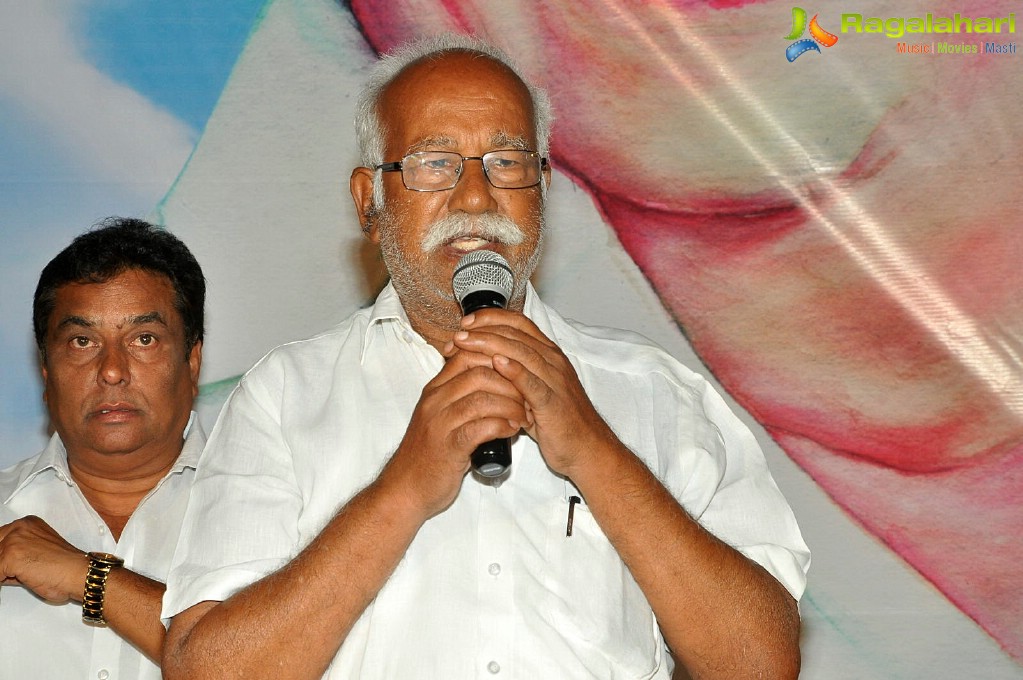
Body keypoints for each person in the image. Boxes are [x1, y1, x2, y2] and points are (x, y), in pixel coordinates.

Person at [161, 34, 809, 680]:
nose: (475, 199)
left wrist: (593, 449)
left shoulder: (654, 388)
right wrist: (403, 489)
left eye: (506, 162)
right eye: (433, 164)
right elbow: (206, 671)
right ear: (369, 200)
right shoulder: (287, 393)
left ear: (543, 188)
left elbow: (760, 665)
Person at [0, 218, 206, 679]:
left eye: (144, 339)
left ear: (192, 361)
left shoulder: (277, 513)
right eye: (82, 341)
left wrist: (88, 578)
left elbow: (277, 663)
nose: (112, 370)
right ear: (47, 372)